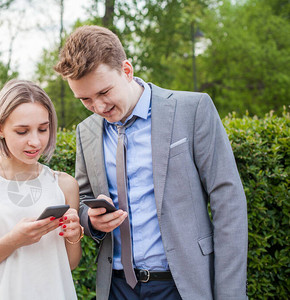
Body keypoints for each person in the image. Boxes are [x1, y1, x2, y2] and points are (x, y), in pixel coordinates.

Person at [54, 25, 248, 300]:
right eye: (85, 99)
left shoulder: (192, 110)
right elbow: (83, 200)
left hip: (183, 286)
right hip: (116, 288)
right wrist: (93, 221)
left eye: (104, 92)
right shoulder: (86, 131)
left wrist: (230, 295)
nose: (98, 107)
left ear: (127, 70)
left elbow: (228, 203)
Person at [0, 79, 82, 299]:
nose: (35, 141)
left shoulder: (65, 185)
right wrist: (13, 241)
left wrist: (74, 236)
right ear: (0, 128)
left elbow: (70, 263)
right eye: (22, 131)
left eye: (43, 129)